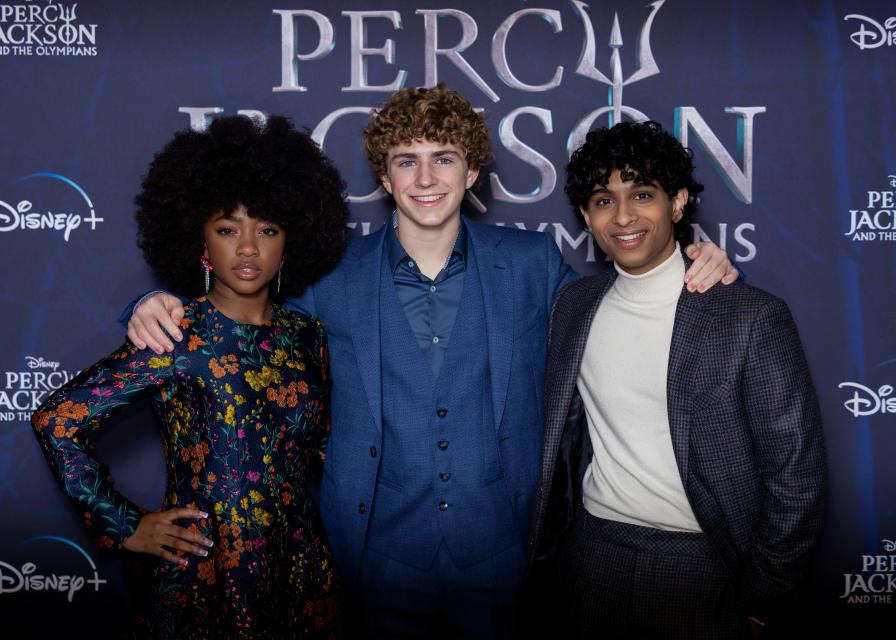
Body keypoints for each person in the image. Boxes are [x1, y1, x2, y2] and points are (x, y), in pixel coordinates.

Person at [127, 85, 738, 638]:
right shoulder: (328, 278)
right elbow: (240, 311)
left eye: (443, 158)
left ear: (471, 171)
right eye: (406, 161)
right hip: (373, 558)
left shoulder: (531, 264)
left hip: (503, 561)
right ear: (385, 178)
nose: (426, 178)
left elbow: (614, 311)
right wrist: (154, 303)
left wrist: (689, 263)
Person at [31, 115, 349, 639]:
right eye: (228, 229)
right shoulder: (178, 335)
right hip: (205, 573)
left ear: (289, 242)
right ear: (201, 243)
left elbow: (328, 450)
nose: (247, 248)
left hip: (302, 571)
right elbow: (56, 421)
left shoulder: (308, 336)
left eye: (266, 229)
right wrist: (125, 525)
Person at [528, 121, 826, 638]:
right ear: (585, 214)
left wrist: (764, 596)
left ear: (679, 201)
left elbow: (796, 476)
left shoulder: (750, 317)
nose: (623, 216)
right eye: (603, 200)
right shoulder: (573, 306)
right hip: (590, 557)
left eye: (642, 194)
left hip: (701, 566)